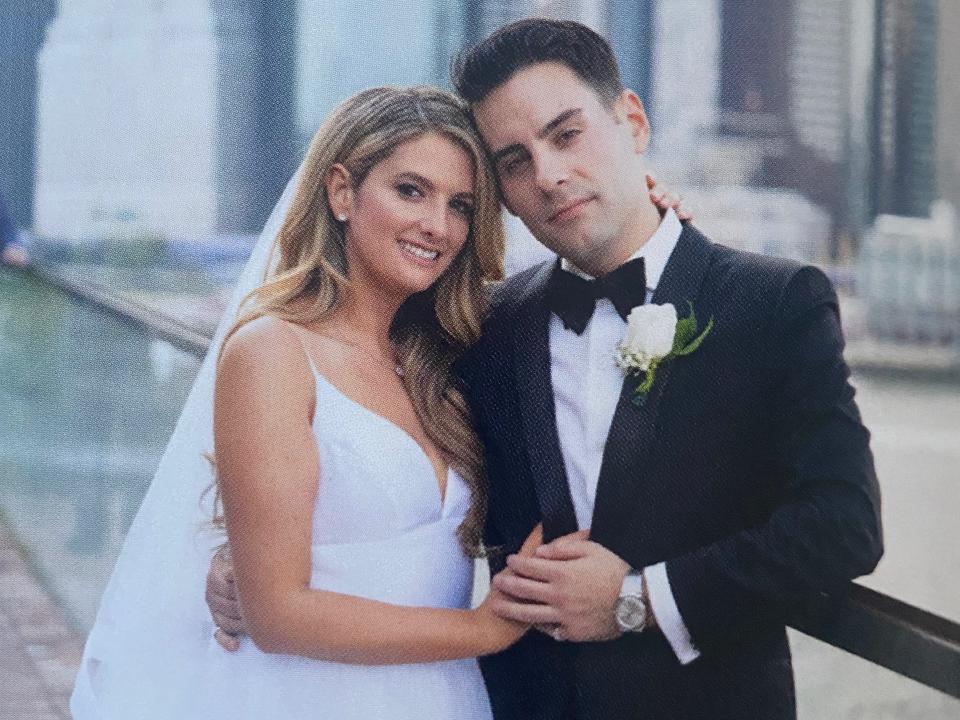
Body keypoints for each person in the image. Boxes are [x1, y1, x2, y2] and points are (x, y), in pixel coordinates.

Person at [204, 18, 884, 720]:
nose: (549, 176)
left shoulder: (772, 303)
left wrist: (638, 600)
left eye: (567, 135)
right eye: (514, 161)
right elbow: (348, 419)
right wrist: (255, 573)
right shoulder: (482, 329)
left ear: (633, 121)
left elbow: (843, 525)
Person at [72, 85, 543, 720]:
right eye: (411, 190)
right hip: (306, 697)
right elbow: (278, 614)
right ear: (342, 191)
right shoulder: (274, 352)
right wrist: (485, 630)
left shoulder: (446, 361)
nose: (438, 225)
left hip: (442, 697)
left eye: (460, 205)